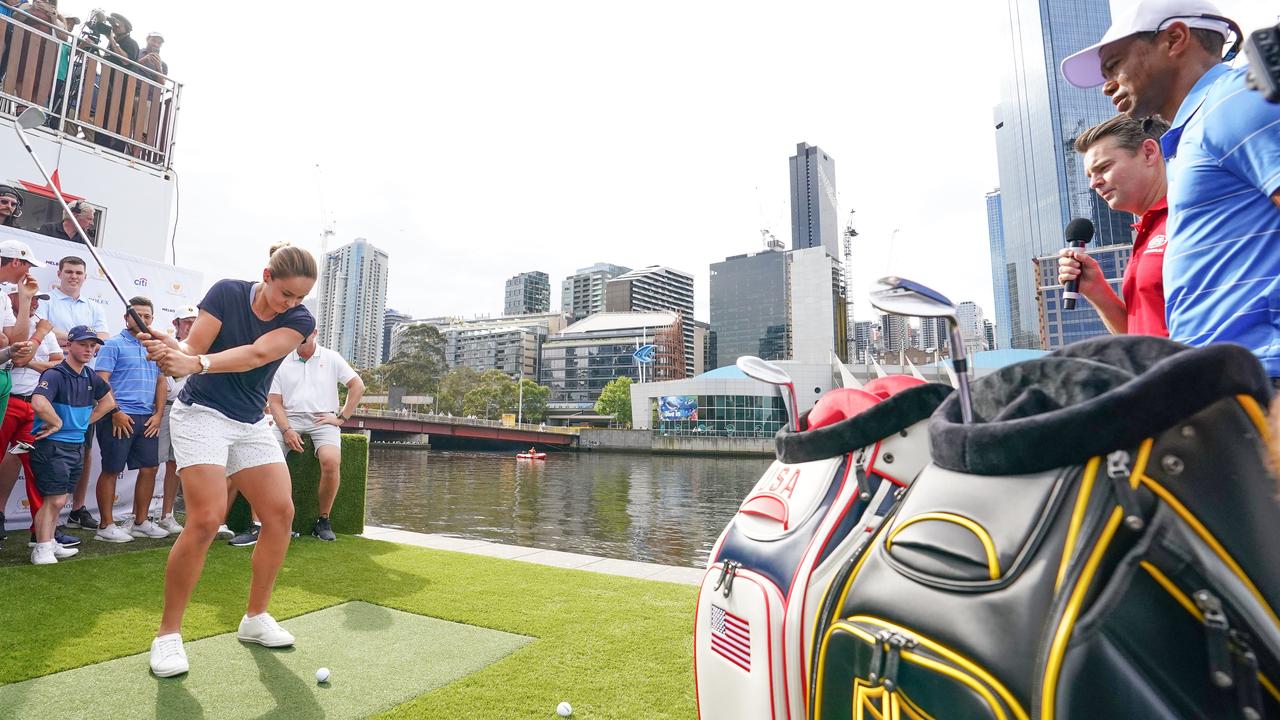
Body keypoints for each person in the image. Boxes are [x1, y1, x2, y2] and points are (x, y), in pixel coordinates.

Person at [1061, 0, 1280, 379]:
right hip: (1217, 382)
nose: (1107, 86)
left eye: (1114, 65)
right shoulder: (1192, 136)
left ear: (1175, 38)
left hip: (1261, 377)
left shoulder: (1233, 103)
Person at [142, 243, 317, 678]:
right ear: (267, 276)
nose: (291, 305)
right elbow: (192, 349)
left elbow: (257, 354)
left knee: (280, 514)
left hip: (250, 423)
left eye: (299, 298)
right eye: (285, 295)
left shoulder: (298, 320)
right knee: (205, 519)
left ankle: (255, 618)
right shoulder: (226, 293)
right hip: (200, 415)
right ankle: (167, 635)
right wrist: (172, 349)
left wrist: (193, 360)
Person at [1058, 115, 1171, 336]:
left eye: (1104, 167)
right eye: (1090, 176)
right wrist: (1097, 291)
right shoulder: (1146, 233)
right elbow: (1139, 339)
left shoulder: (1188, 218)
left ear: (1149, 152)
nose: (1094, 183)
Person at [264, 329, 363, 542]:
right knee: (264, 462)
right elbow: (274, 402)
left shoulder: (331, 357)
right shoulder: (281, 360)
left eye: (304, 333)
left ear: (315, 333)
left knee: (331, 461)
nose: (299, 338)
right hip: (288, 419)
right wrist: (286, 430)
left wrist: (342, 418)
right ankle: (260, 523)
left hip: (323, 419)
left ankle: (323, 520)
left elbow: (357, 386)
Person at [28, 326, 115, 565]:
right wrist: (56, 422)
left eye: (92, 346)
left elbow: (108, 402)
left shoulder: (90, 376)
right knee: (54, 499)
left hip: (76, 445)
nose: (89, 350)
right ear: (69, 345)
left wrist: (82, 422)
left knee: (60, 498)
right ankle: (42, 548)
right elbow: (38, 401)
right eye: (83, 344)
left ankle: (48, 542)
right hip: (52, 445)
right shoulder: (55, 374)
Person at [0, 284, 72, 547]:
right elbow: (18, 356)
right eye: (29, 299)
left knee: (37, 467)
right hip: (6, 403)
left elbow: (57, 363)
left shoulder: (40, 324)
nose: (36, 305)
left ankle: (40, 532)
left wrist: (30, 358)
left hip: (32, 406)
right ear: (10, 299)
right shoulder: (22, 326)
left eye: (36, 300)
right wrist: (39, 335)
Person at [92, 296, 167, 543]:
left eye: (147, 316)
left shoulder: (154, 347)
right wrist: (115, 412)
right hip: (118, 416)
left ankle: (140, 521)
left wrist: (158, 415)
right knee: (112, 469)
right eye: (137, 315)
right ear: (126, 318)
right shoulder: (112, 345)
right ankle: (106, 526)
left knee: (150, 468)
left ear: (152, 319)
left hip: (147, 418)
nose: (142, 320)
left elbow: (160, 382)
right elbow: (101, 381)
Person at [44, 255, 109, 531]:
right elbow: (45, 333)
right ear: (59, 273)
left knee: (83, 448)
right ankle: (45, 514)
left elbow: (103, 337)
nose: (73, 276)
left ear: (85, 276)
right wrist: (78, 338)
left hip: (85, 383)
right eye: (69, 271)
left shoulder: (93, 306)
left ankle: (77, 509)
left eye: (79, 272)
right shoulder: (46, 302)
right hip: (51, 379)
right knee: (48, 447)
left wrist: (74, 339)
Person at [154, 304, 200, 536]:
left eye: (194, 321)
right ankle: (140, 515)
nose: (190, 325)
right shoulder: (164, 348)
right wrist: (158, 412)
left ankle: (167, 514)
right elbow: (161, 381)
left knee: (175, 465)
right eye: (186, 321)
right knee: (151, 464)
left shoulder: (202, 351)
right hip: (165, 410)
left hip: (191, 412)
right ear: (176, 324)